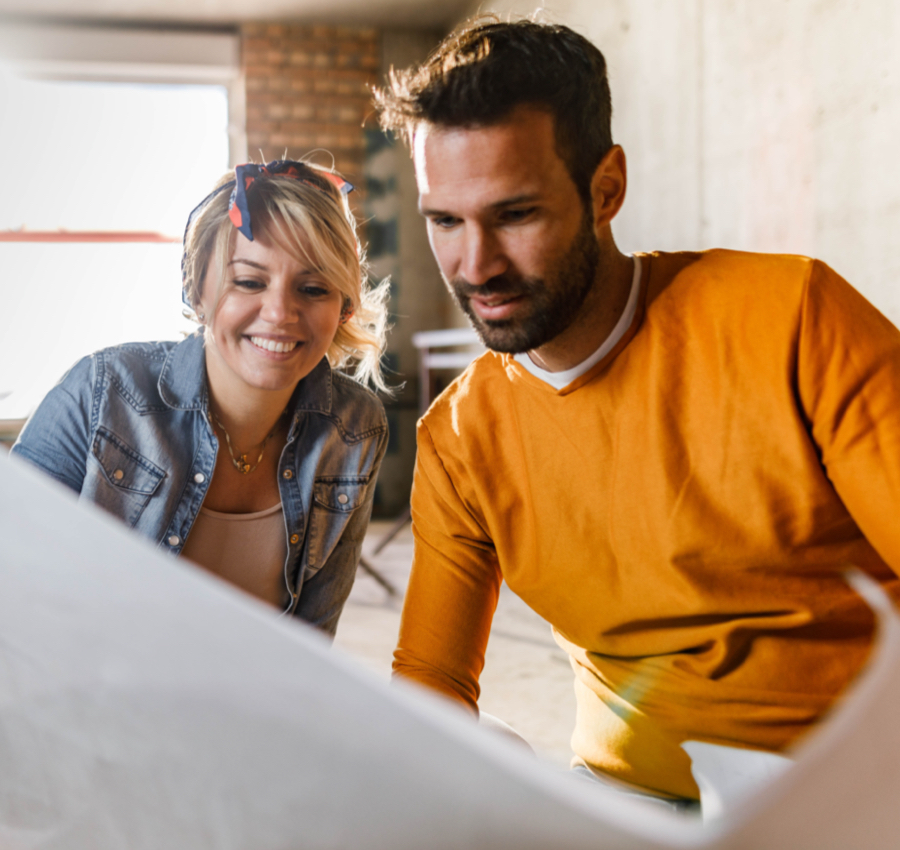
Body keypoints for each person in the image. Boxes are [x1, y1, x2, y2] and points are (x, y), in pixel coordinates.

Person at [374, 17, 900, 809]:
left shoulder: (793, 318)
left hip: (847, 793)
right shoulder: (457, 438)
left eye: (515, 215)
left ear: (606, 188)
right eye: (444, 220)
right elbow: (431, 682)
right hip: (622, 805)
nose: (475, 265)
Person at [12, 159, 390, 635]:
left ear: (345, 307)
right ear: (198, 291)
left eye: (313, 288)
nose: (279, 313)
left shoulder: (355, 427)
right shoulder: (100, 392)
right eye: (249, 281)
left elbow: (311, 641)